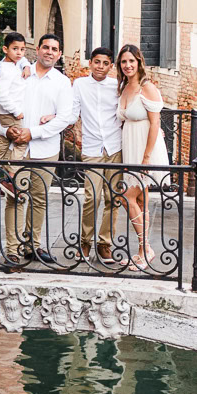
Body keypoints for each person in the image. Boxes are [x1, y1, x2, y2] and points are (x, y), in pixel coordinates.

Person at [3, 34, 74, 267]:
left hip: (46, 148)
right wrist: (5, 132)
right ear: (38, 50)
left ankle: (32, 245)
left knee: (39, 199)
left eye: (55, 49)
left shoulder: (62, 82)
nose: (50, 52)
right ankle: (12, 250)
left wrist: (33, 133)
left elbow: (64, 118)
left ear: (59, 54)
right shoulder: (19, 75)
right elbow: (0, 108)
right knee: (16, 198)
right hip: (17, 149)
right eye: (46, 47)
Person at [115, 44, 167, 269]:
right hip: (131, 147)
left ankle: (145, 249)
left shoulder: (147, 88)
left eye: (131, 61)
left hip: (146, 150)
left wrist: (146, 159)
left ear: (139, 62)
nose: (127, 65)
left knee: (127, 197)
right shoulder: (123, 87)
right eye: (124, 62)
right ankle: (142, 251)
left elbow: (156, 123)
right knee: (140, 201)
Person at [72, 47, 124, 262]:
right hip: (92, 147)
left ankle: (105, 244)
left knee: (113, 198)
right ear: (90, 63)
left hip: (115, 147)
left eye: (105, 63)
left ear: (111, 66)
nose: (100, 67)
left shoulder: (117, 86)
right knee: (92, 197)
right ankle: (85, 242)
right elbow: (73, 112)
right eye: (97, 62)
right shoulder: (80, 84)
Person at [0, 31, 30, 199]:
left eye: (22, 49)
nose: (19, 53)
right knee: (21, 142)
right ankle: (10, 179)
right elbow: (2, 95)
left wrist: (26, 64)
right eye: (15, 49)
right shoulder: (5, 70)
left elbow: (22, 59)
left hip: (3, 112)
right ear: (6, 49)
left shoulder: (14, 63)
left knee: (4, 143)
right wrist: (17, 112)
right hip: (8, 112)